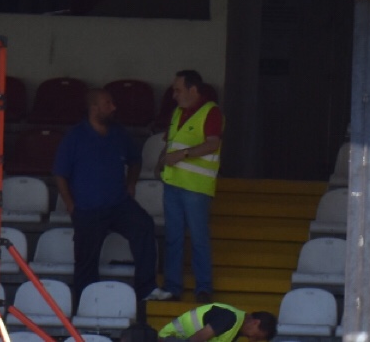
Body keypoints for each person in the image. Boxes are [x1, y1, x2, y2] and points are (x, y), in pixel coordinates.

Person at [52, 88, 158, 301]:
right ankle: (86, 302)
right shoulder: (75, 136)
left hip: (119, 204)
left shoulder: (118, 133)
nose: (114, 107)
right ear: (94, 107)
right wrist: (71, 205)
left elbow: (135, 160)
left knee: (144, 225)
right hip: (88, 208)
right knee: (85, 261)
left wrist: (131, 185)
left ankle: (146, 289)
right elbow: (59, 174)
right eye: (108, 104)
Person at [155, 70, 223, 303]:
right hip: (172, 183)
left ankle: (203, 287)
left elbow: (212, 144)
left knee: (198, 238)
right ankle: (173, 287)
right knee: (173, 237)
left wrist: (182, 155)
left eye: (178, 90)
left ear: (193, 90)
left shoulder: (211, 111)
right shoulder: (177, 112)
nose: (173, 95)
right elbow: (171, 141)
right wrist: (161, 162)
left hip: (196, 187)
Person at [157, 304, 277, 342]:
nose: (251, 340)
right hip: (169, 338)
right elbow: (195, 340)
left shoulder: (235, 330)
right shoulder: (229, 318)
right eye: (255, 337)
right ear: (256, 322)